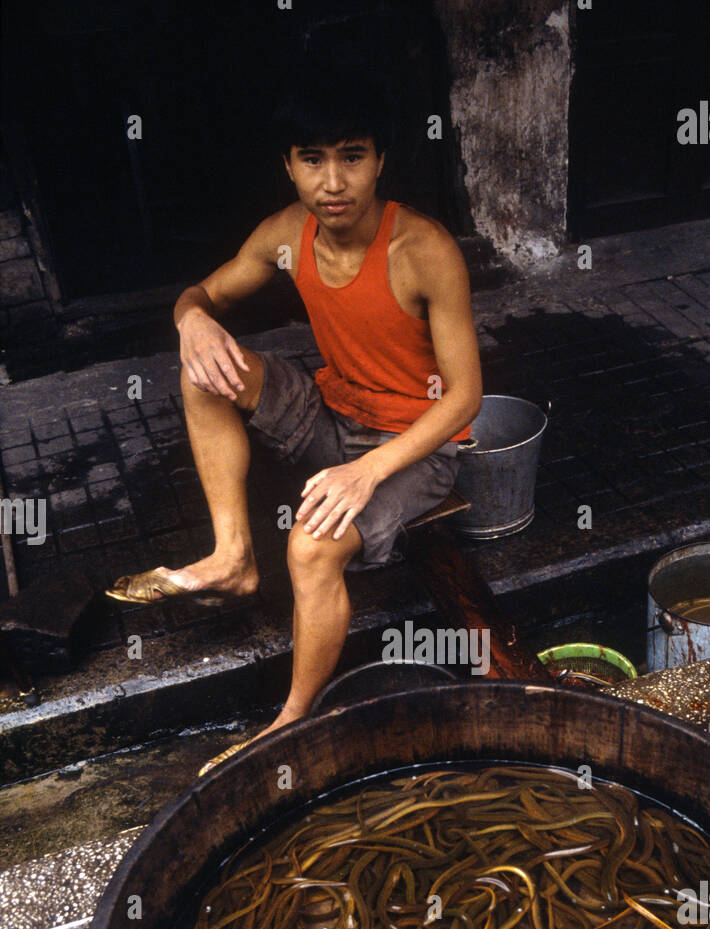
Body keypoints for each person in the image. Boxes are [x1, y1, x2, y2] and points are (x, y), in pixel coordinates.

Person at [107, 65, 482, 773]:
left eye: (352, 156)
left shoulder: (424, 250)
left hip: (415, 449)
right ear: (289, 165)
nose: (332, 182)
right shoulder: (286, 234)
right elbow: (202, 292)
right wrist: (190, 320)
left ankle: (291, 720)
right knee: (203, 372)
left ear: (381, 160)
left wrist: (367, 470)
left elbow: (463, 398)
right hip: (332, 409)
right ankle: (233, 558)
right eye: (312, 160)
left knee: (310, 549)